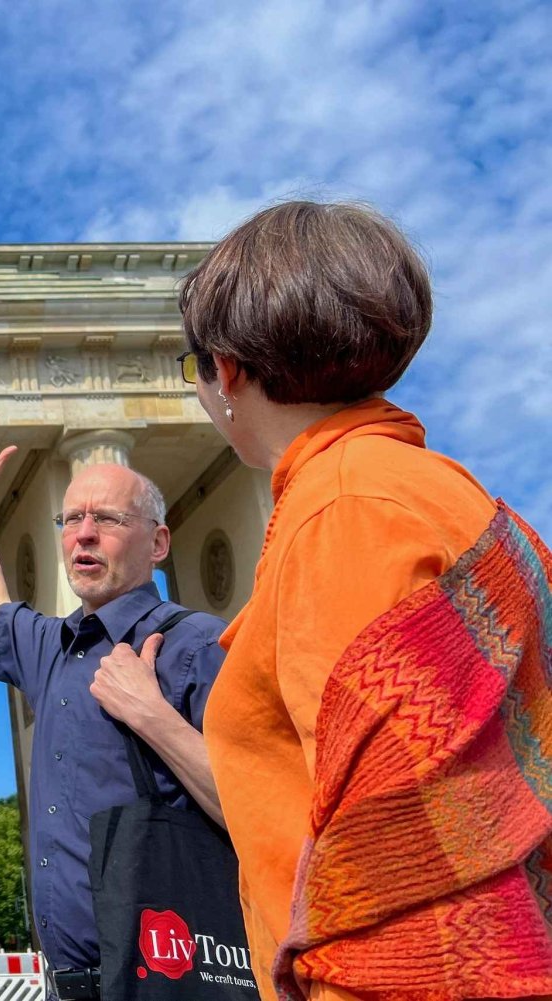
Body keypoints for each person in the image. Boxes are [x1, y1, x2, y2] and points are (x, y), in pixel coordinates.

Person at [181, 200, 552, 999]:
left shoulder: (344, 512)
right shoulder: (450, 496)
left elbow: (390, 856)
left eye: (196, 370)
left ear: (230, 369)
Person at [0, 410, 227, 996]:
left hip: (167, 980)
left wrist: (152, 717)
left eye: (107, 518)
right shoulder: (53, 646)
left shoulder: (195, 643)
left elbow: (257, 807)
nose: (83, 533)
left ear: (158, 542)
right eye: (71, 518)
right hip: (69, 984)